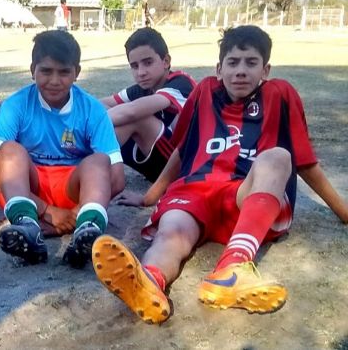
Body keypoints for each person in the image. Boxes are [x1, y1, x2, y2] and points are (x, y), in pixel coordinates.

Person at [92, 25, 348, 324]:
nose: (241, 71)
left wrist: (343, 211)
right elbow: (181, 151)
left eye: (251, 63)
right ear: (219, 68)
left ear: (265, 69)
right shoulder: (204, 92)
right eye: (233, 62)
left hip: (243, 197)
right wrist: (151, 196)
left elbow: (304, 162)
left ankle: (232, 269)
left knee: (278, 157)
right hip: (195, 191)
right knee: (171, 234)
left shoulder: (280, 94)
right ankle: (149, 283)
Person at [0, 30, 125, 267]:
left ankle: (87, 228)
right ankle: (27, 226)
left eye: (64, 72)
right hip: (27, 191)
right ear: (32, 70)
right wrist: (47, 210)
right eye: (46, 71)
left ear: (76, 73)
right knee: (9, 150)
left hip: (73, 192)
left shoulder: (92, 109)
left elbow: (117, 178)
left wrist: (72, 216)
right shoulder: (16, 105)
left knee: (99, 161)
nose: (55, 81)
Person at [100, 28, 196, 182]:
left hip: (183, 169)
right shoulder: (143, 88)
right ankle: (78, 167)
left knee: (137, 118)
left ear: (166, 61)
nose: (141, 72)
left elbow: (131, 112)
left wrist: (86, 125)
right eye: (135, 66)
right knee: (116, 115)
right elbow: (101, 104)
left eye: (148, 63)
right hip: (161, 164)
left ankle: (81, 168)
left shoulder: (181, 83)